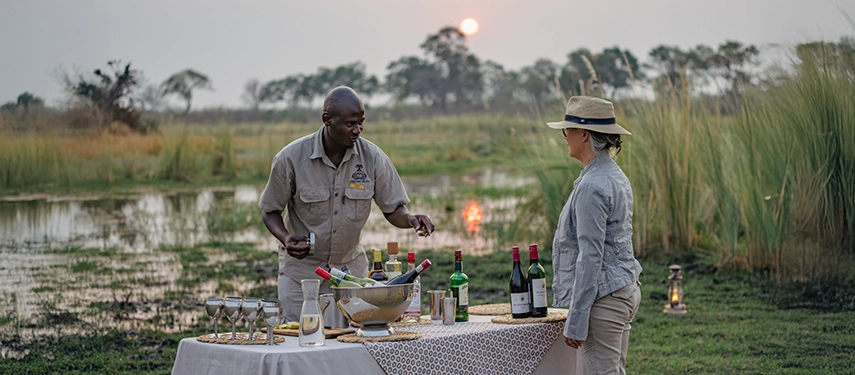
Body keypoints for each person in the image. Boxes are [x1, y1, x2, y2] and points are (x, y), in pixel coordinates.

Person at [258, 86, 435, 321]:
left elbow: (392, 209)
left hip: (352, 277)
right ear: (327, 120)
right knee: (300, 344)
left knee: (353, 343)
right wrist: (286, 238)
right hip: (302, 276)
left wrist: (410, 219)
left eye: (361, 123)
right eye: (350, 124)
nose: (357, 130)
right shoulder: (291, 159)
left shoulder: (372, 157)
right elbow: (270, 211)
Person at [547, 96, 643, 374]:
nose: (565, 138)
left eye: (567, 131)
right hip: (621, 288)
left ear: (584, 134)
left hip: (605, 298)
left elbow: (591, 258)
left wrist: (576, 320)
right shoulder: (613, 175)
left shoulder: (593, 185)